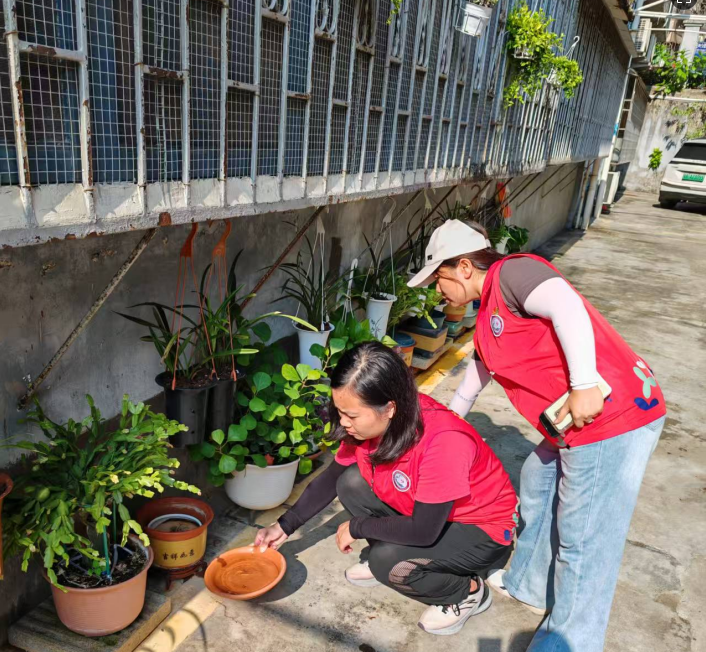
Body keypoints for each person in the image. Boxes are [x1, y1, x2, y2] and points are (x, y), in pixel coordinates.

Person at [407, 219, 666, 651]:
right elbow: (475, 378)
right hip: (573, 423)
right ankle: (528, 583)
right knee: (538, 476)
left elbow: (567, 306)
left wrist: (583, 383)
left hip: (613, 416)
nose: (438, 291)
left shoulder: (514, 272)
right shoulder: (487, 312)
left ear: (465, 267)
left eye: (439, 278)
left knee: (583, 540)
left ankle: (569, 642)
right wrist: (442, 429)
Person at [255, 341, 518, 636]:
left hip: (480, 529)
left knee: (387, 563)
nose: (343, 422)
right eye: (340, 411)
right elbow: (331, 477)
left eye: (352, 416)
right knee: (350, 483)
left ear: (389, 408)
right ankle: (394, 554)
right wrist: (284, 525)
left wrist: (358, 527)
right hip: (431, 512)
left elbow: (423, 531)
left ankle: (465, 592)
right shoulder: (372, 423)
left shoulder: (444, 442)